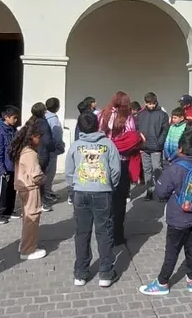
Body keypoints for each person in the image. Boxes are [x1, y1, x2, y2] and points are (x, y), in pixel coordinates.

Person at [140, 121, 192, 296]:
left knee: (172, 251)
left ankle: (162, 282)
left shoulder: (175, 168)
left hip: (178, 218)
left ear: (180, 149)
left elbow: (161, 193)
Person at [66, 112, 121, 287]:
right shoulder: (108, 144)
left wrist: (74, 185)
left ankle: (80, 273)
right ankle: (105, 273)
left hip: (80, 192)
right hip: (102, 192)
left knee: (82, 233)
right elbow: (116, 170)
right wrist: (109, 185)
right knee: (104, 232)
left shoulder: (76, 145)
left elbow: (69, 170)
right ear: (97, 125)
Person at [99, 91, 144, 244]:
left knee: (105, 198)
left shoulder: (101, 114)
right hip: (121, 160)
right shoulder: (128, 117)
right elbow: (131, 137)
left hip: (103, 160)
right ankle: (117, 235)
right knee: (119, 201)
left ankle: (105, 232)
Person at [13, 119, 48, 261]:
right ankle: (28, 249)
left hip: (22, 187)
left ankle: (25, 244)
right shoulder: (30, 153)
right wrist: (44, 179)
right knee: (32, 218)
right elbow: (36, 175)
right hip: (30, 188)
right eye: (38, 137)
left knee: (27, 217)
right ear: (32, 137)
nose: (39, 140)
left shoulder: (21, 149)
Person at [137, 92, 170, 201]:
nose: (151, 106)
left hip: (156, 147)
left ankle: (161, 192)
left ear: (156, 102)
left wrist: (159, 142)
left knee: (157, 169)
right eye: (149, 103)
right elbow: (137, 129)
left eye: (153, 103)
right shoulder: (140, 114)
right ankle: (149, 190)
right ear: (145, 103)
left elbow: (165, 130)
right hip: (144, 147)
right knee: (147, 170)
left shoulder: (162, 115)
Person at [0, 105, 21, 224]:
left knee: (11, 190)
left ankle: (9, 210)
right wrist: (1, 169)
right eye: (14, 118)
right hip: (3, 167)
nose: (16, 120)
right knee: (2, 191)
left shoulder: (13, 130)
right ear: (6, 117)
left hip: (13, 165)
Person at [28, 103, 56, 212]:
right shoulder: (44, 123)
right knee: (41, 178)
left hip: (32, 153)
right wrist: (54, 148)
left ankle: (34, 201)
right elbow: (48, 140)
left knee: (33, 177)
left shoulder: (31, 122)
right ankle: (43, 202)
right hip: (42, 154)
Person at [44, 97, 66, 203]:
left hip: (42, 149)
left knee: (44, 171)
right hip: (51, 149)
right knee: (50, 172)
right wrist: (60, 146)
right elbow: (57, 135)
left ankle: (46, 191)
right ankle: (46, 193)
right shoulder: (53, 119)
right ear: (57, 107)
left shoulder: (43, 116)